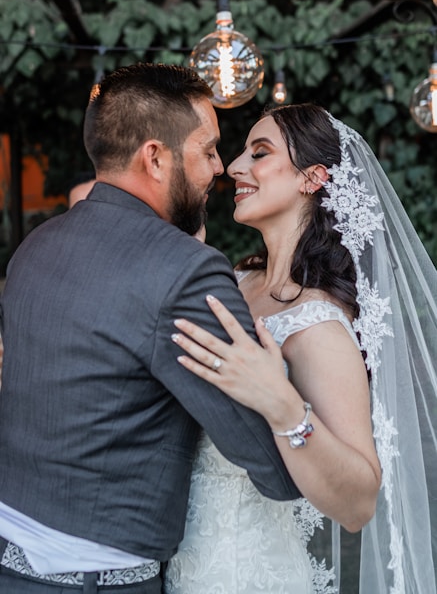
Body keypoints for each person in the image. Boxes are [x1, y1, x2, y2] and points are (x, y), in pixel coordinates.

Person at [0, 63, 304, 594]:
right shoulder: (186, 269)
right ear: (156, 157)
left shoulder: (36, 245)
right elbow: (275, 471)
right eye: (208, 150)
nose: (220, 167)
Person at [165, 104, 437, 594]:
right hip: (181, 561)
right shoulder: (235, 280)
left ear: (312, 178)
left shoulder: (318, 325)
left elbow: (358, 504)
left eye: (260, 153)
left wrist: (284, 406)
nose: (233, 167)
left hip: (246, 576)